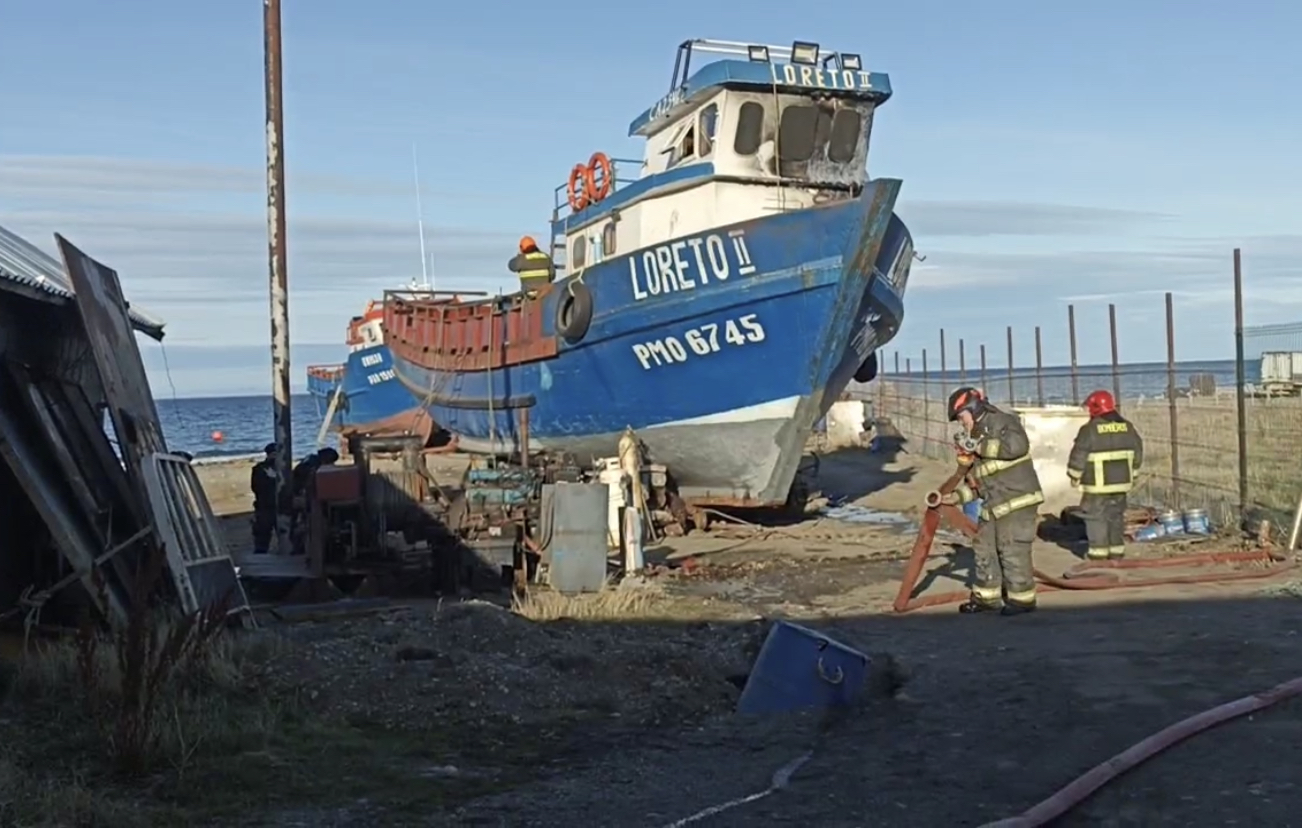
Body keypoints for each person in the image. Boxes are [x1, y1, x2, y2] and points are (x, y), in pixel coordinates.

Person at [926, 387, 1045, 616]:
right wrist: (955, 497)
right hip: (995, 504)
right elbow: (979, 484)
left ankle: (1022, 600)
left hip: (1017, 501)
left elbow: (1017, 447)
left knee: (1011, 548)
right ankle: (986, 598)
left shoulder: (1002, 422)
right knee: (984, 547)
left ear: (972, 408)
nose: (962, 424)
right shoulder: (975, 436)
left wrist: (977, 447)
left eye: (962, 417)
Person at [1067, 390, 1144, 561]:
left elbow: (1079, 453)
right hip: (1122, 484)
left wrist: (1074, 474)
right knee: (1116, 517)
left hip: (1096, 485)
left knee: (1096, 518)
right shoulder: (1127, 426)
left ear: (1095, 408)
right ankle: (1116, 552)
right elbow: (1137, 450)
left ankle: (1098, 555)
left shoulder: (1089, 430)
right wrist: (1134, 473)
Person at [250, 443, 278, 554]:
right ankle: (261, 551)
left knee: (287, 532)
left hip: (280, 504)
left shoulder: (284, 467)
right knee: (262, 533)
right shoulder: (260, 468)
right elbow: (256, 487)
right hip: (265, 505)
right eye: (273, 454)